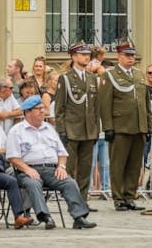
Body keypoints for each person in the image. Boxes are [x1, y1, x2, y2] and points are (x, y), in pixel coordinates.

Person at [7, 96, 96, 230]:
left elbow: (62, 153)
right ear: (27, 112)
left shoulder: (49, 128)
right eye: (39, 109)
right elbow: (13, 157)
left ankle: (79, 217)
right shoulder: (16, 130)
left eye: (43, 108)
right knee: (33, 183)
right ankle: (46, 217)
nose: (43, 111)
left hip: (51, 169)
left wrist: (61, 166)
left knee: (69, 182)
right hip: (27, 170)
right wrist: (27, 169)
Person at [98, 42, 149, 211]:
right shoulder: (110, 75)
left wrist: (147, 125)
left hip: (138, 125)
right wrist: (108, 127)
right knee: (118, 164)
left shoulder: (139, 74)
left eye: (133, 55)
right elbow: (105, 104)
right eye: (127, 55)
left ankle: (130, 196)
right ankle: (118, 197)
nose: (131, 58)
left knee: (134, 165)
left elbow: (145, 103)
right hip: (120, 126)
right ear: (119, 56)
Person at [53, 42, 100, 200]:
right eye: (82, 54)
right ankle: (70, 198)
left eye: (88, 54)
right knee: (70, 167)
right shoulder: (65, 79)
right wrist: (61, 130)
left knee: (85, 169)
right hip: (72, 129)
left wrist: (96, 129)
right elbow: (59, 108)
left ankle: (82, 199)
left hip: (88, 130)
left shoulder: (92, 78)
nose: (86, 57)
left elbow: (95, 107)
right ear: (73, 56)